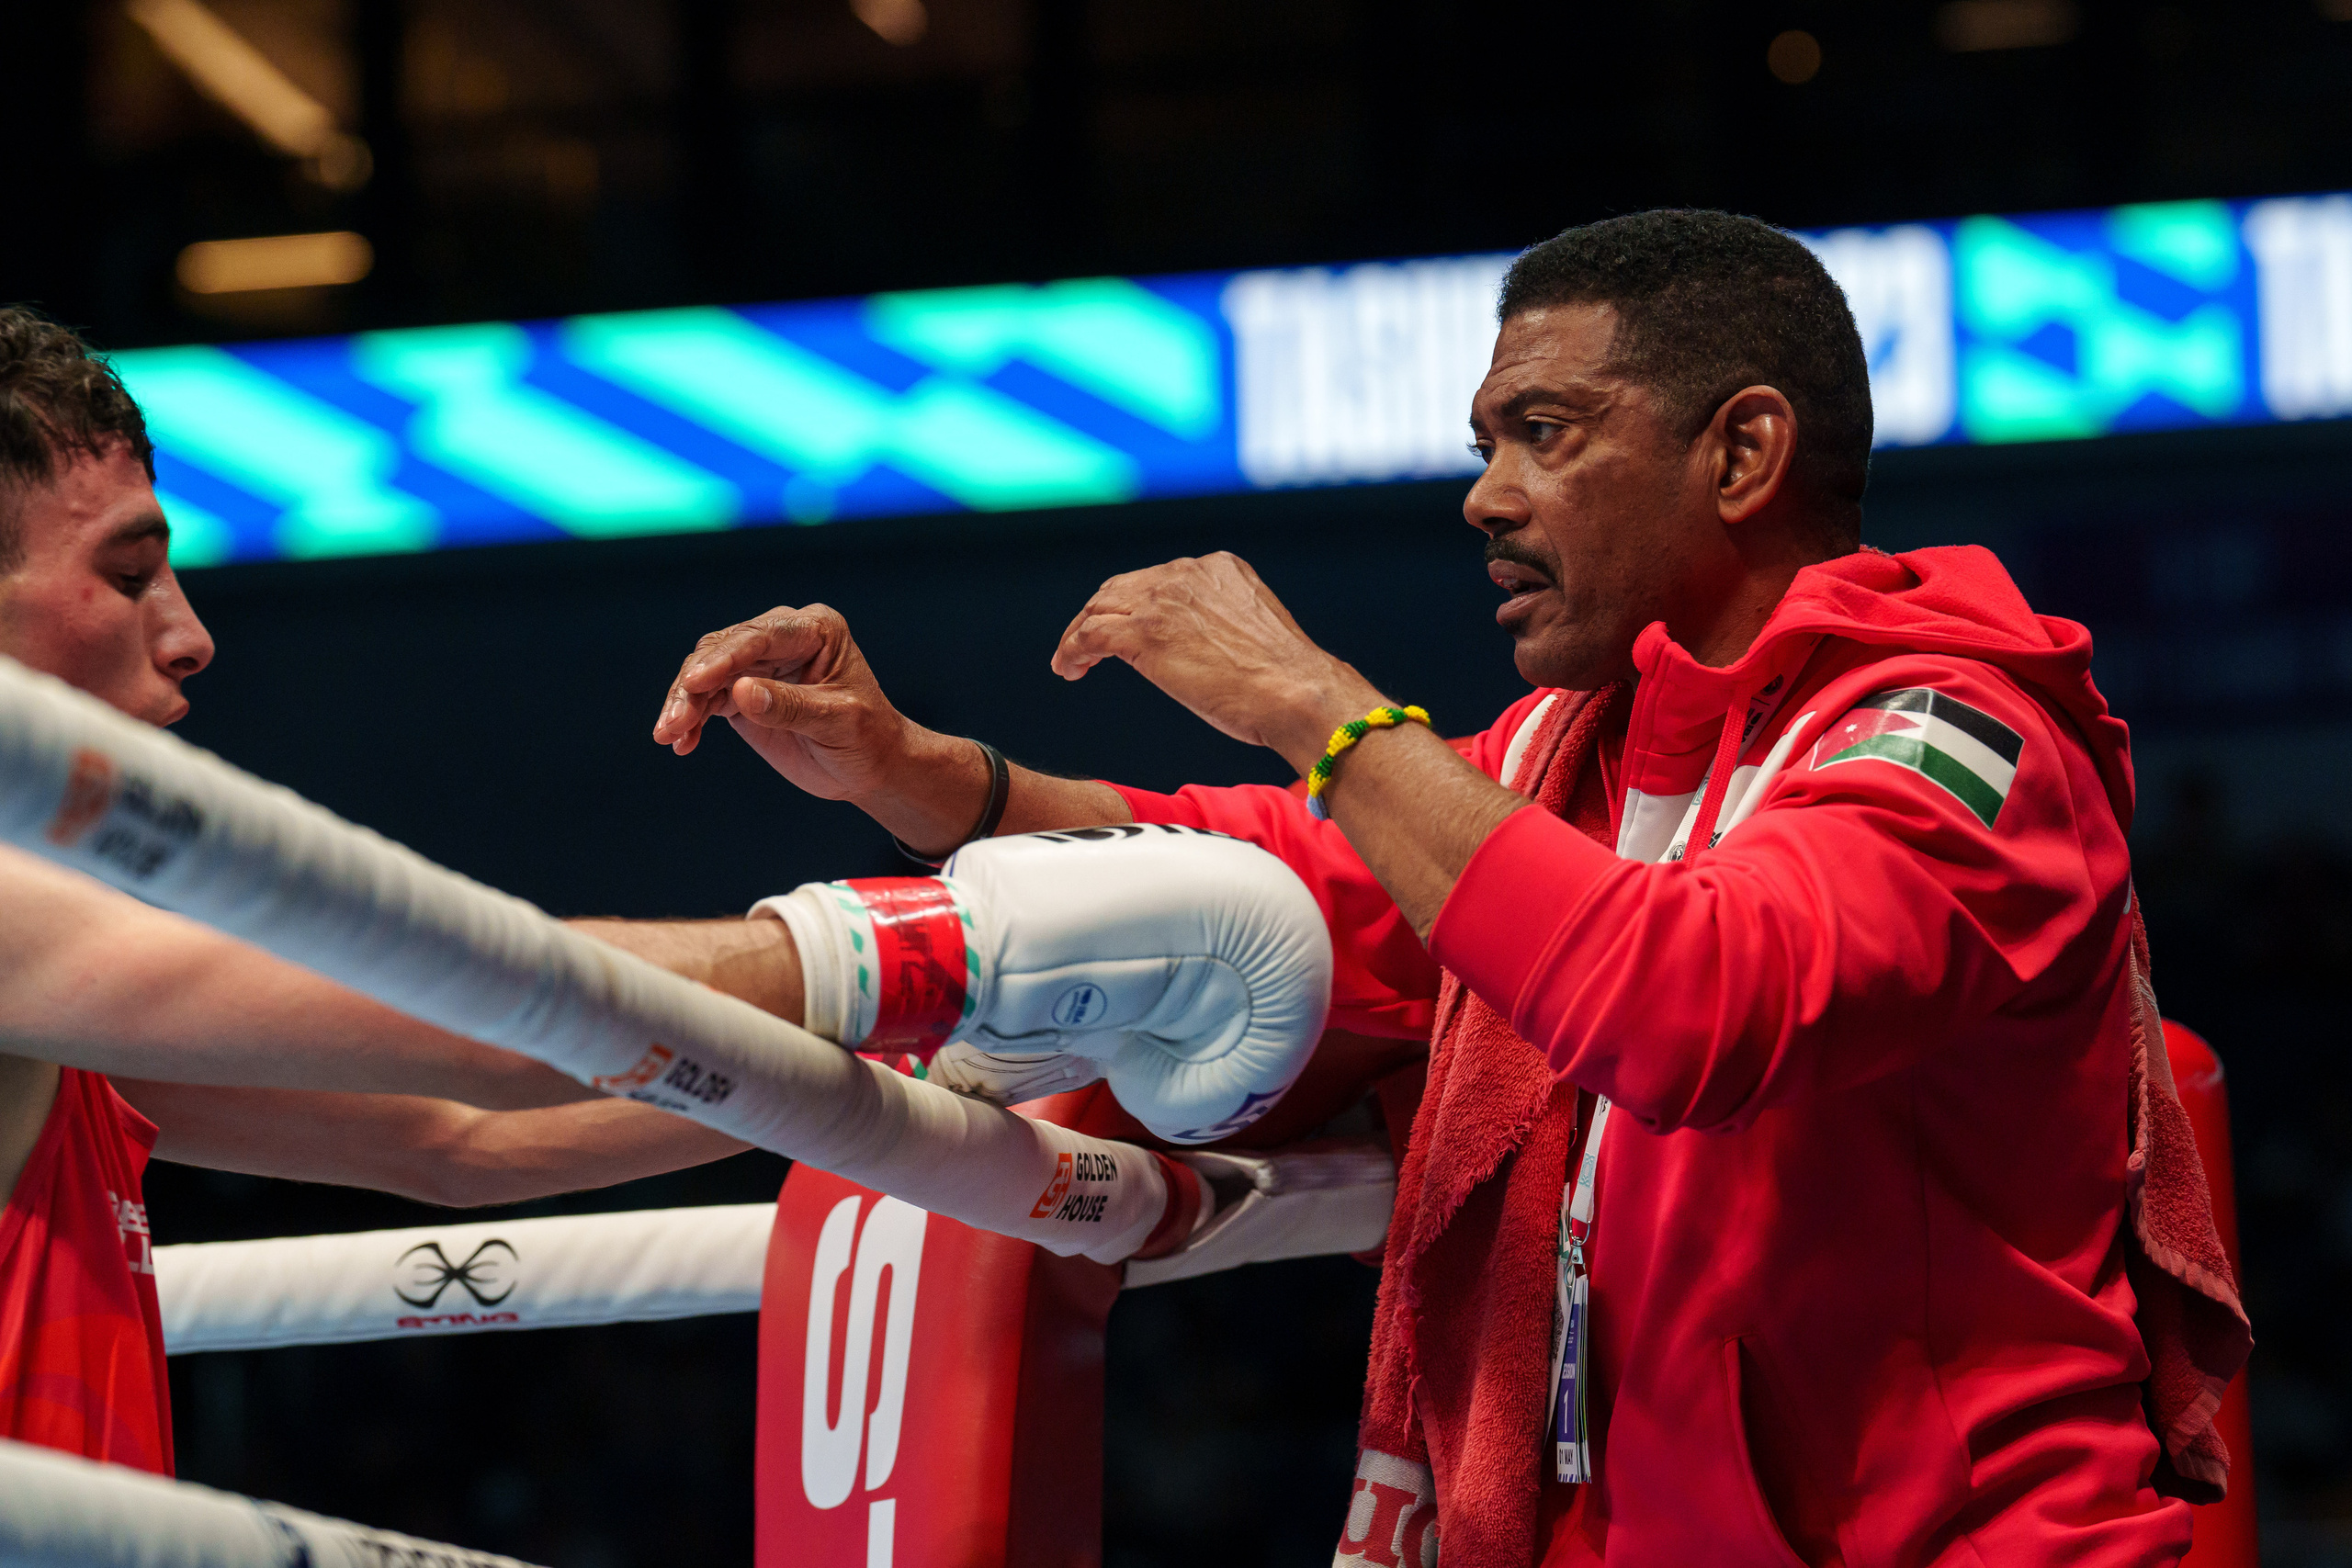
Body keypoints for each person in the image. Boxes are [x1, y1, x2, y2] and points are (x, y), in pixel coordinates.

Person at [651, 210, 2248, 1566]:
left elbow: (1693, 1001)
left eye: (1544, 434)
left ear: (1743, 451)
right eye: (1486, 442)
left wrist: (1312, 702)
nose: (1485, 495)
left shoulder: (1961, 739)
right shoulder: (1579, 750)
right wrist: (921, 771)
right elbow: (1262, 861)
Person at [0, 306, 770, 1478]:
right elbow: (492, 1033)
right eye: (125, 572)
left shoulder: (63, 1021)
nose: (192, 636)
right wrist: (909, 957)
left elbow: (460, 1135)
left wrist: (924, 1072)